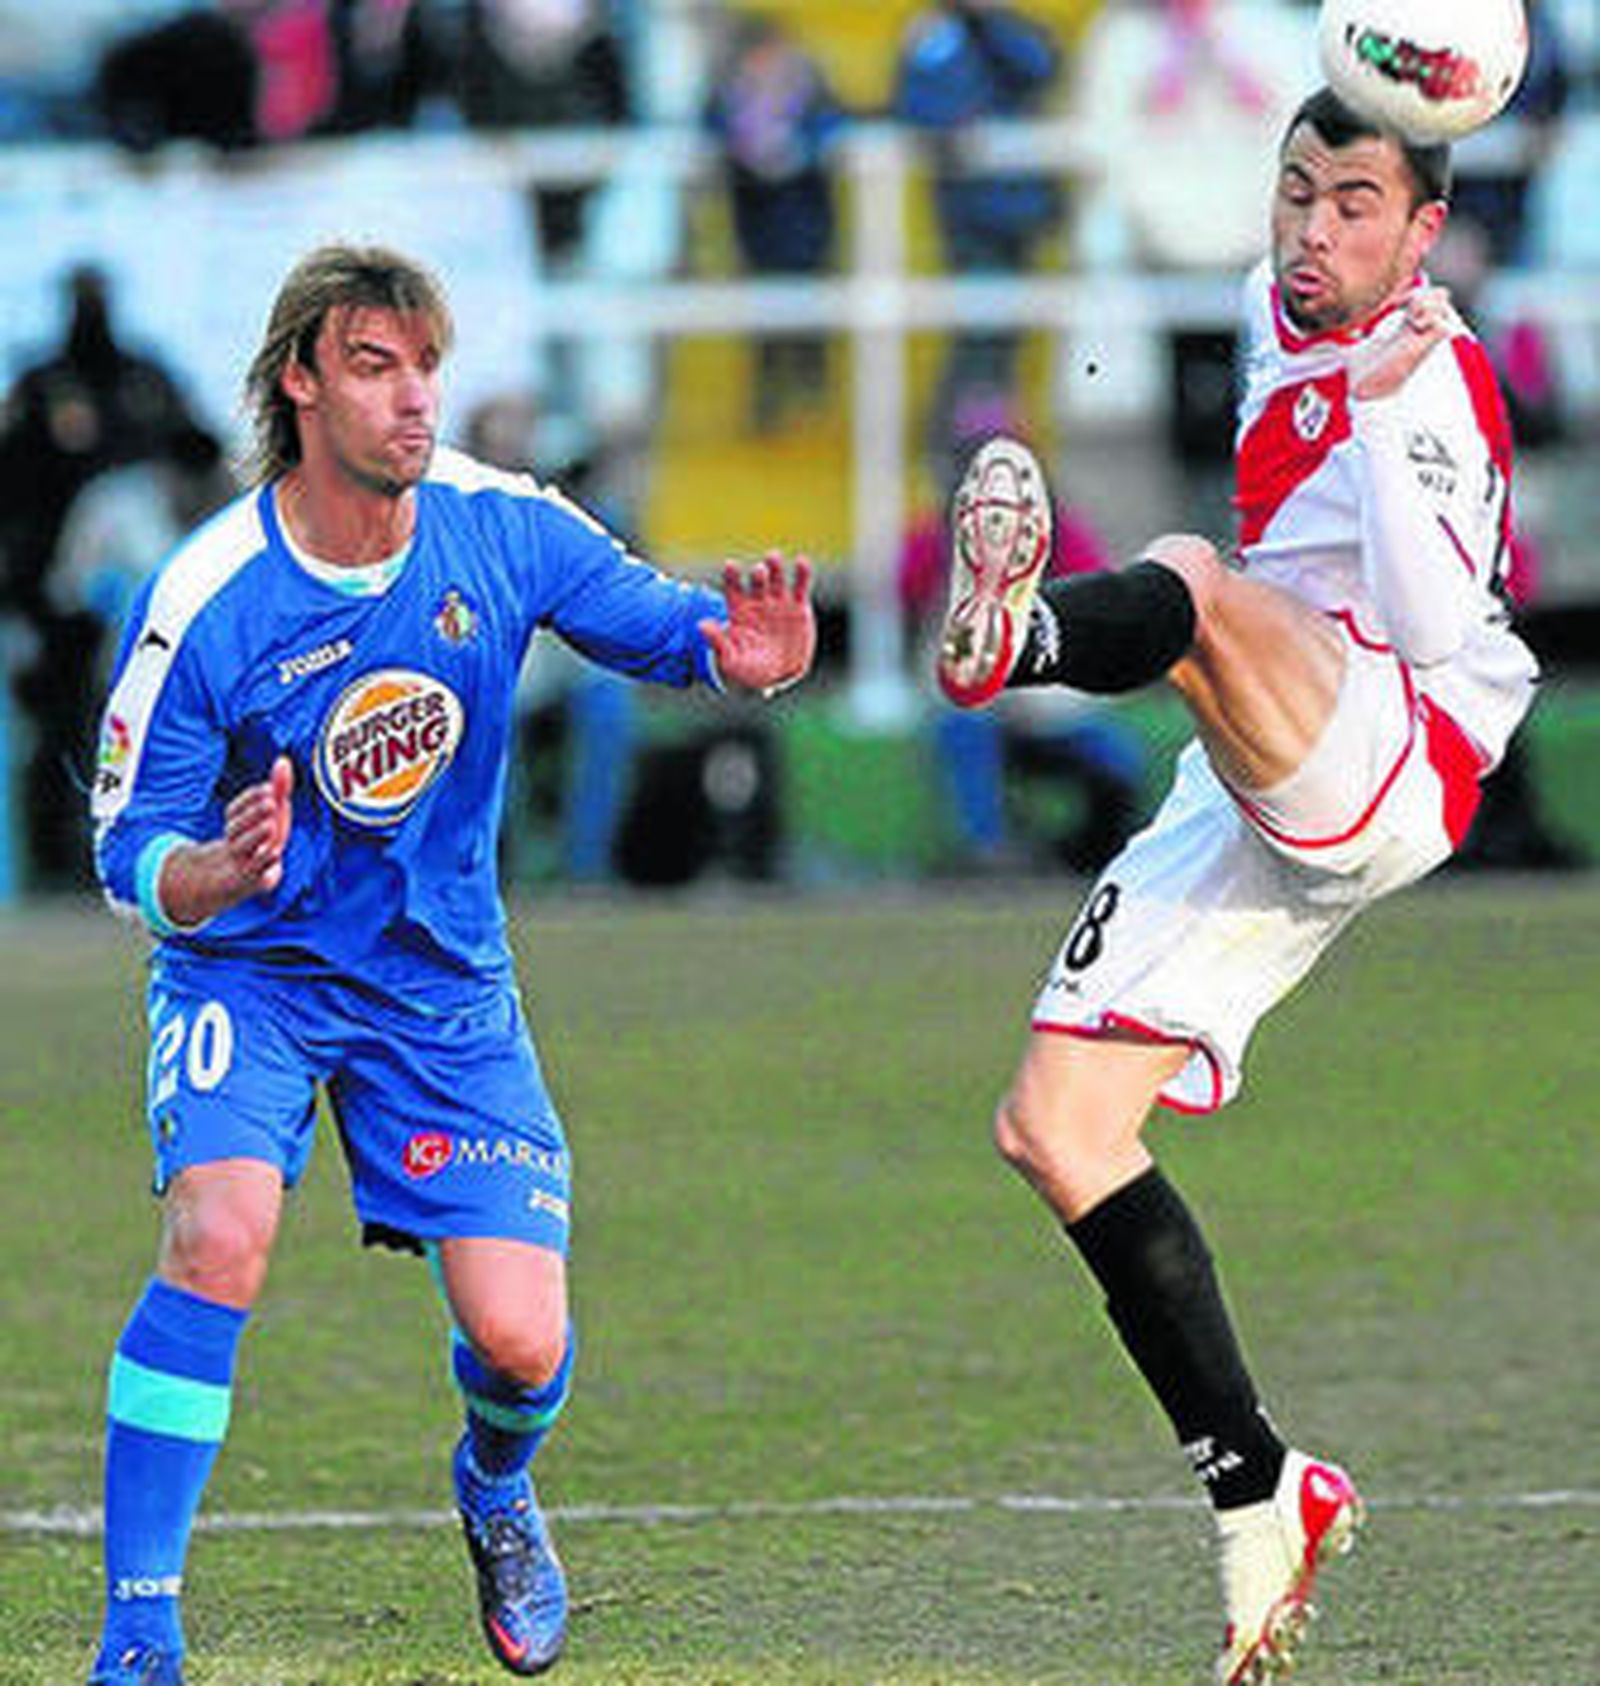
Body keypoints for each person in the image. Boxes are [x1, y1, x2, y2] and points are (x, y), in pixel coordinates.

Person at [83, 242, 815, 1686]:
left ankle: (494, 1486)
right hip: (255, 975)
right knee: (218, 1238)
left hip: (439, 989)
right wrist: (217, 872)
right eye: (375, 366)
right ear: (299, 381)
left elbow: (664, 626)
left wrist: (743, 658)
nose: (417, 399)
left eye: (427, 364)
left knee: (522, 1340)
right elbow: (127, 844)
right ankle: (139, 1630)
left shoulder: (497, 521)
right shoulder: (211, 597)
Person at [935, 89, 1537, 1684]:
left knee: (1195, 577)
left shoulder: (1439, 378)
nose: (1313, 229)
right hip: (1265, 753)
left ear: (1422, 233)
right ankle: (1263, 1483)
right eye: (1295, 193)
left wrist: (1393, 418)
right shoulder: (1274, 321)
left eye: (1354, 204)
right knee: (1055, 1126)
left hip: (1394, 746)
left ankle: (1028, 642)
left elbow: (1421, 617)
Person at [704, 15, 846, 432]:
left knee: (811, 303)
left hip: (806, 223)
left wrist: (798, 151)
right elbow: (709, 131)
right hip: (757, 228)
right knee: (763, 318)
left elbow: (836, 127)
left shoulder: (811, 90)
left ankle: (812, 383)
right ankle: (767, 401)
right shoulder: (726, 96)